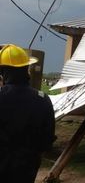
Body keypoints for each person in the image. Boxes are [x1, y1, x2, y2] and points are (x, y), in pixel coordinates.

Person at [0, 44, 55, 183]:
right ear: (27, 69)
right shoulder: (43, 99)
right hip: (27, 169)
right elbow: (47, 140)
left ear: (2, 71)